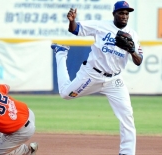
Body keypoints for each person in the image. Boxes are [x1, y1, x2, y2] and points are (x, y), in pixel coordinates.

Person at [51, 1, 143, 155]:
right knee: (65, 94)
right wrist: (72, 20)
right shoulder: (101, 26)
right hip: (92, 75)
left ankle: (127, 152)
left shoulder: (133, 35)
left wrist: (133, 50)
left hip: (114, 80)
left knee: (127, 115)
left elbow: (138, 61)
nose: (124, 16)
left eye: (127, 13)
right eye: (121, 13)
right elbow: (75, 30)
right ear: (114, 14)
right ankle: (61, 53)